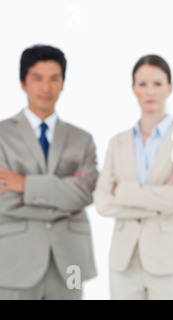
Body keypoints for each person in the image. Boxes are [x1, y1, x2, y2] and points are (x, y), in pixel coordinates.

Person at [94, 54, 173, 300]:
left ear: (169, 87)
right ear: (133, 88)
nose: (150, 91)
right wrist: (156, 201)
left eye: (157, 83)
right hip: (124, 261)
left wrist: (123, 193)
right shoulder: (117, 142)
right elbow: (101, 201)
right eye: (142, 84)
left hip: (168, 260)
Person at [0, 44, 98, 300]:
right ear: (23, 83)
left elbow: (85, 194)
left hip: (71, 264)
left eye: (54, 79)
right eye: (37, 78)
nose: (46, 88)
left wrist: (24, 184)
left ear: (63, 83)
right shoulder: (1, 136)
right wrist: (63, 193)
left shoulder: (82, 139)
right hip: (14, 262)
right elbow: (4, 201)